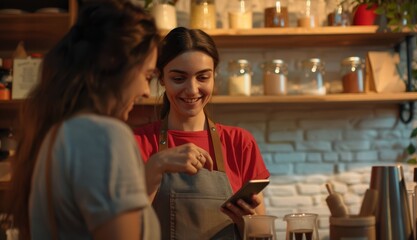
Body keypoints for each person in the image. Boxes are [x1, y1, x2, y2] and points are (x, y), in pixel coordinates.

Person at [6, 1, 161, 239]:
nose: (147, 91)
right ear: (113, 62)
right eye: (146, 75)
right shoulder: (104, 136)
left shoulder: (55, 134)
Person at [134, 27, 270, 240]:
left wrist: (249, 224)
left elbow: (262, 234)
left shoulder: (239, 143)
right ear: (161, 78)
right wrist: (154, 167)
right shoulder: (137, 143)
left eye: (203, 77)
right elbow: (127, 230)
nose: (192, 89)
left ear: (214, 76)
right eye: (179, 78)